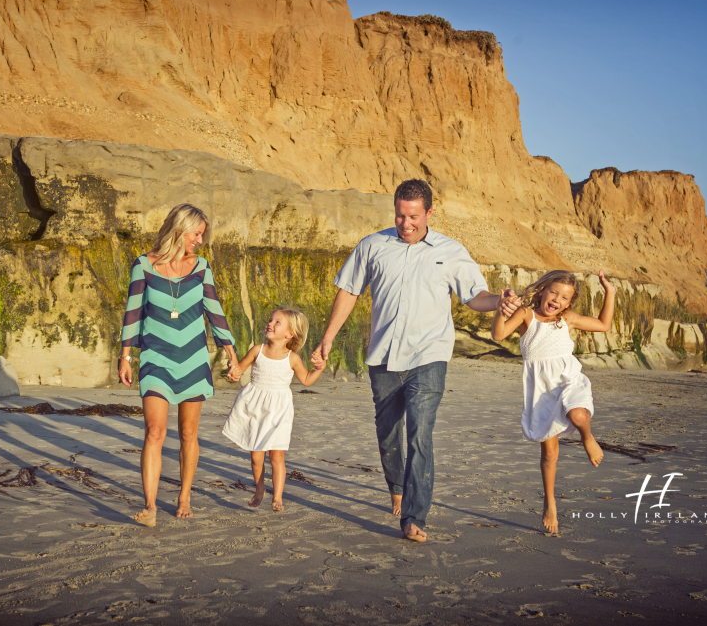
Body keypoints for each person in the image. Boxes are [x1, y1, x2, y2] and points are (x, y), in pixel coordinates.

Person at [311, 179, 504, 543]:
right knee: (388, 435)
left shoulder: (450, 250)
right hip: (383, 357)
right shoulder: (373, 245)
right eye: (400, 216)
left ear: (429, 213)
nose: (406, 224)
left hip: (429, 356)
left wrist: (501, 301)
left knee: (420, 432)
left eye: (414, 216)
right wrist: (328, 337)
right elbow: (349, 290)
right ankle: (396, 484)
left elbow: (475, 296)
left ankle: (415, 517)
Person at [119, 203, 239, 527]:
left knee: (188, 432)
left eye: (202, 235)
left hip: (193, 357)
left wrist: (231, 353)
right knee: (154, 431)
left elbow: (214, 311)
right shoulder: (144, 266)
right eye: (196, 234)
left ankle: (184, 495)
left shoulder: (202, 268)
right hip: (155, 356)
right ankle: (150, 506)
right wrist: (125, 356)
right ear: (179, 230)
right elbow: (132, 312)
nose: (200, 240)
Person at [492, 269, 615, 534]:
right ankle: (550, 502)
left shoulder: (567, 319)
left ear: (570, 303)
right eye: (554, 292)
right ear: (543, 289)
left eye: (565, 297)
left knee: (579, 416)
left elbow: (604, 325)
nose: (557, 300)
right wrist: (501, 309)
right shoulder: (527, 315)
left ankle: (587, 438)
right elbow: (499, 335)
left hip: (569, 380)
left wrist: (610, 292)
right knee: (549, 454)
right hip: (542, 391)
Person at [223, 308, 326, 513]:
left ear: (289, 334)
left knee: (277, 456)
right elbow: (239, 370)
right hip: (255, 406)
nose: (270, 323)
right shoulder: (257, 350)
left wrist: (319, 369)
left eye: (277, 322)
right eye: (270, 320)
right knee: (256, 456)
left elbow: (305, 380)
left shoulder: (293, 358)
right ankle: (260, 489)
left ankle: (277, 497)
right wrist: (233, 372)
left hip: (279, 409)